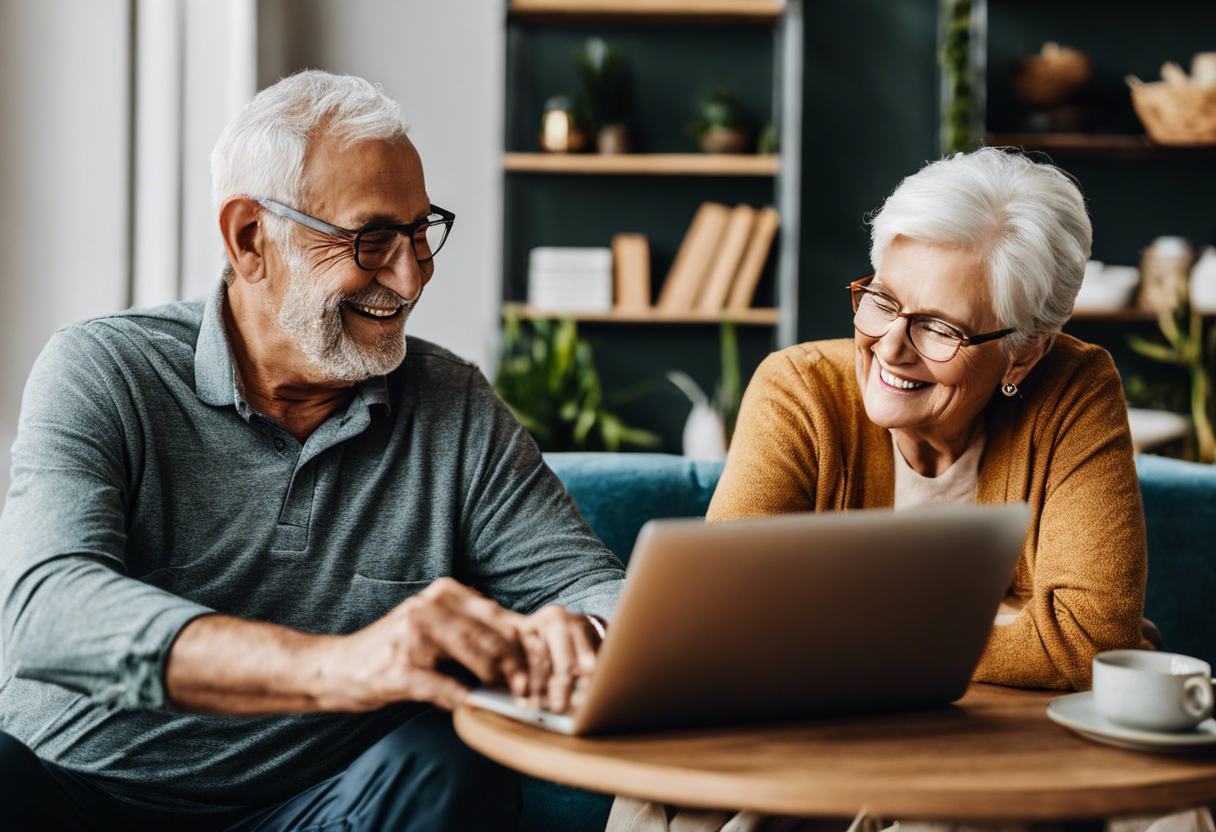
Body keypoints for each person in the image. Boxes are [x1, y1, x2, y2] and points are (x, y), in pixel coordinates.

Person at [0, 70, 624, 831]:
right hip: (78, 799)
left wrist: (579, 635)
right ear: (250, 238)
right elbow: (48, 610)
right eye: (371, 240)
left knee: (451, 759)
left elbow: (601, 592)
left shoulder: (451, 404)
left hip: (316, 813)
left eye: (421, 232)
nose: (410, 277)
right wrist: (345, 666)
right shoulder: (104, 370)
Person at [608, 147, 1159, 832]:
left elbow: (1090, 638)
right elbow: (726, 631)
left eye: (938, 327)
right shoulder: (799, 389)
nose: (890, 346)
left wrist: (834, 637)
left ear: (1025, 350)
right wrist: (1006, 617)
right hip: (808, 744)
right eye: (883, 301)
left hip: (995, 754)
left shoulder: (1073, 388)